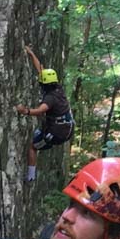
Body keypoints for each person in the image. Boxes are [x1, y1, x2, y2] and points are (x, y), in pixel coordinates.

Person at [17, 44, 74, 182]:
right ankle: (41, 136)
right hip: (67, 128)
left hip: (57, 134)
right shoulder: (57, 88)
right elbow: (41, 70)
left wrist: (25, 111)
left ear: (44, 84)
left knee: (32, 146)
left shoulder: (50, 98)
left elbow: (41, 110)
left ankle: (30, 177)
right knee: (39, 134)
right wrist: (31, 53)